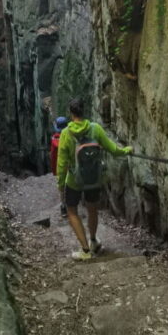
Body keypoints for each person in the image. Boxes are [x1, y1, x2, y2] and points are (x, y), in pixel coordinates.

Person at [56, 97, 132, 261]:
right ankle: (93, 241)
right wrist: (127, 150)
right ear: (84, 111)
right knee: (92, 209)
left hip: (74, 180)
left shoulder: (65, 134)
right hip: (93, 179)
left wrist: (61, 186)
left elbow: (61, 164)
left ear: (71, 114)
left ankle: (85, 250)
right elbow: (114, 150)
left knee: (71, 211)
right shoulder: (95, 129)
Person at [49, 116, 69, 218]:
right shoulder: (70, 138)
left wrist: (54, 170)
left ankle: (63, 206)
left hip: (60, 167)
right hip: (70, 166)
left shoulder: (54, 141)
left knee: (61, 187)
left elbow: (52, 157)